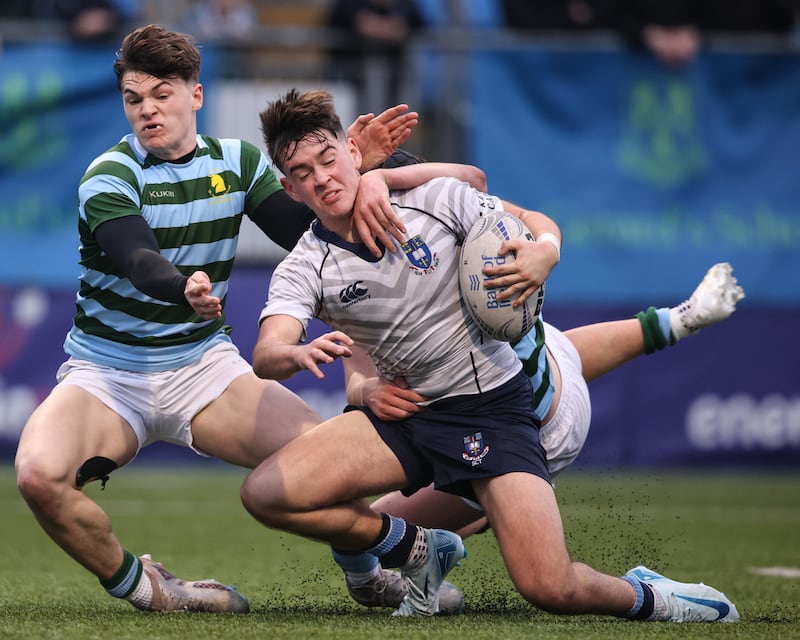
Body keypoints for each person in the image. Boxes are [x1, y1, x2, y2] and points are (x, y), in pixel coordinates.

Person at [240, 87, 740, 622]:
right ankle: (417, 555)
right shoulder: (305, 266)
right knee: (268, 493)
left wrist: (543, 253)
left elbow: (521, 213)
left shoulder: (433, 201)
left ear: (353, 153)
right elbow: (268, 352)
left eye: (328, 158)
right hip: (413, 415)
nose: (321, 177)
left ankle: (657, 597)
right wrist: (297, 355)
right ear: (290, 189)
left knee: (550, 587)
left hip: (492, 410)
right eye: (303, 171)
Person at [11, 23, 457, 615]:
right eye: (134, 98)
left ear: (196, 95)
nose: (148, 110)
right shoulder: (109, 176)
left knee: (335, 463)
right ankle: (154, 591)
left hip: (204, 368)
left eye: (162, 93)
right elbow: (139, 260)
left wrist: (366, 173)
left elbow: (316, 236)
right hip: (107, 375)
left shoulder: (237, 164)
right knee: (38, 477)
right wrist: (182, 286)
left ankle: (367, 574)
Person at [336, 261, 746, 608]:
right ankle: (677, 320)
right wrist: (362, 388)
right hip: (548, 376)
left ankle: (659, 599)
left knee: (365, 528)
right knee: (553, 352)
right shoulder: (441, 224)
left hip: (524, 432)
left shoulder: (419, 254)